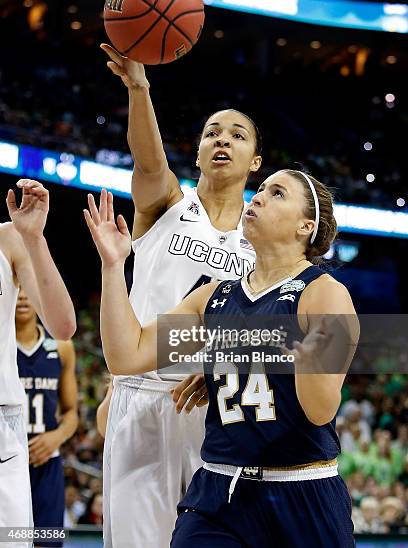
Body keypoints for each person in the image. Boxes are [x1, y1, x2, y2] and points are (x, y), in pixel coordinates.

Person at [85, 168, 359, 547]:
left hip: (300, 491)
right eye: (261, 189)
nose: (258, 197)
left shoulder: (324, 295)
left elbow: (319, 410)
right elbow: (127, 355)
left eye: (277, 193)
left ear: (305, 226)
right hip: (218, 492)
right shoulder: (214, 297)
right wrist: (113, 267)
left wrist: (291, 358)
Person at [97, 44, 262, 547]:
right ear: (195, 153)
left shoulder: (262, 242)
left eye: (237, 135)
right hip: (143, 393)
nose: (222, 139)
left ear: (255, 161)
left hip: (213, 410)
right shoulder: (168, 203)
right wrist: (139, 89)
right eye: (212, 131)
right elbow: (148, 163)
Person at [0, 178, 76, 547]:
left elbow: (63, 327)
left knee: (37, 540)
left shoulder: (9, 238)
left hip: (13, 431)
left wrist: (34, 238)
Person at [16, 288, 78, 548]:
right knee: (9, 538)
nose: (21, 297)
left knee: (47, 541)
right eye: (14, 290)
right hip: (8, 459)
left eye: (27, 289)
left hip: (46, 462)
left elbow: (71, 412)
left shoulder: (62, 347)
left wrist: (57, 436)